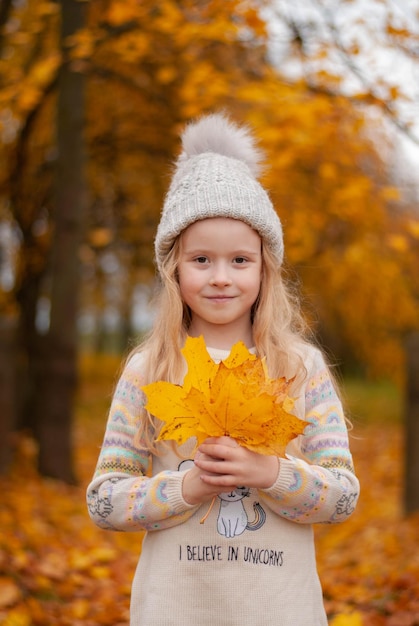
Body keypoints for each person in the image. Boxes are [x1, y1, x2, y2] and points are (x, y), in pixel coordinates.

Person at [86, 112, 360, 626]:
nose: (220, 278)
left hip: (280, 611)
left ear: (265, 268)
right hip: (175, 611)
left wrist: (269, 474)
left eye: (239, 260)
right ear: (174, 267)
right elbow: (104, 502)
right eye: (201, 260)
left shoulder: (300, 367)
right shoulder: (150, 369)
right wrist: (183, 489)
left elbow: (341, 497)